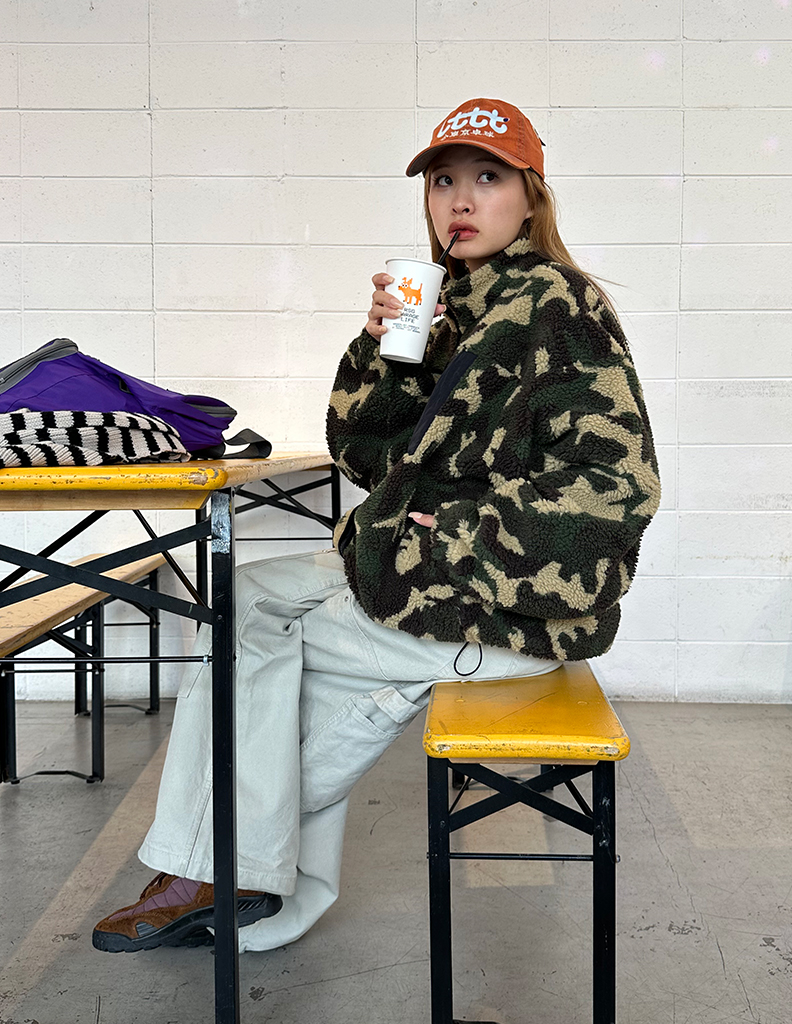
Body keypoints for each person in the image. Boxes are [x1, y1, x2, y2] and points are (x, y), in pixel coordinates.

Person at [92, 97, 660, 955]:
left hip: (500, 606)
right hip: (416, 567)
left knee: (279, 667)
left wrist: (456, 535)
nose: (459, 199)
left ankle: (226, 874)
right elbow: (366, 455)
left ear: (531, 198)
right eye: (442, 182)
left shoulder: (558, 304)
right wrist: (382, 352)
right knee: (241, 601)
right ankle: (241, 875)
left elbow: (618, 488)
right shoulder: (460, 306)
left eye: (487, 178)